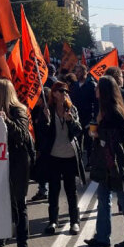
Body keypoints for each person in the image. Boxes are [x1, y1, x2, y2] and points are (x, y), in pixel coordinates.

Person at [84, 76, 124, 247]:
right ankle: (102, 236)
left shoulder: (115, 110)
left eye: (98, 88)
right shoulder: (103, 109)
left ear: (105, 91)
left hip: (116, 162)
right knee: (103, 198)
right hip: (105, 162)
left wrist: (100, 132)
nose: (95, 91)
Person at [0, 79, 34, 247]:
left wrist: (6, 119)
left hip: (17, 164)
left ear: (2, 93)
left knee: (19, 205)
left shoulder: (18, 110)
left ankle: (23, 246)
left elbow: (22, 135)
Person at [36, 81, 82, 235]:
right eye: (61, 91)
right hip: (54, 156)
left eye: (65, 91)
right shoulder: (48, 110)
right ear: (54, 94)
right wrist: (47, 121)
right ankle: (53, 221)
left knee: (71, 190)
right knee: (54, 190)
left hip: (69, 155)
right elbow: (43, 134)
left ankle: (74, 222)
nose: (64, 93)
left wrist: (71, 121)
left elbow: (78, 131)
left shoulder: (72, 109)